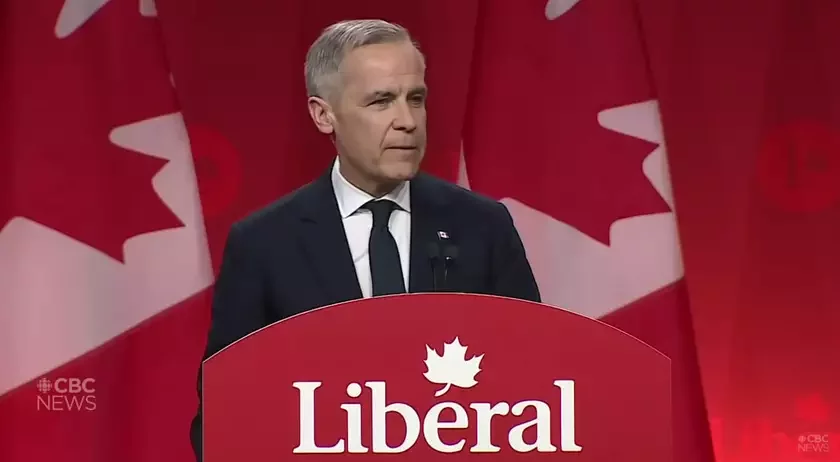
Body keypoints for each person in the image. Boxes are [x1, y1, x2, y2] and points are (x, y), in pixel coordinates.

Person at [188, 18, 540, 461]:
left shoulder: (482, 227)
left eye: (416, 99)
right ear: (323, 115)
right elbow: (223, 415)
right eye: (381, 101)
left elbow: (535, 381)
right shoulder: (264, 245)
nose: (407, 122)